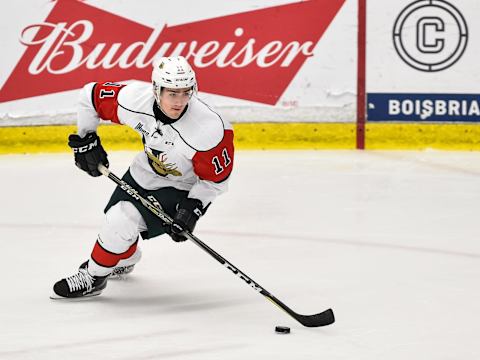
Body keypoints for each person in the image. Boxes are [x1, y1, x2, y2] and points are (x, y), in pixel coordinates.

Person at [51, 56, 234, 299]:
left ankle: (93, 276)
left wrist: (193, 207)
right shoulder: (135, 99)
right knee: (118, 225)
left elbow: (215, 180)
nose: (179, 101)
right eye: (172, 93)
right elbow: (89, 96)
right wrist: (87, 140)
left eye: (185, 92)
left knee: (119, 220)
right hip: (144, 172)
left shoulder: (208, 130)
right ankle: (126, 257)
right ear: (156, 90)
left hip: (181, 187)